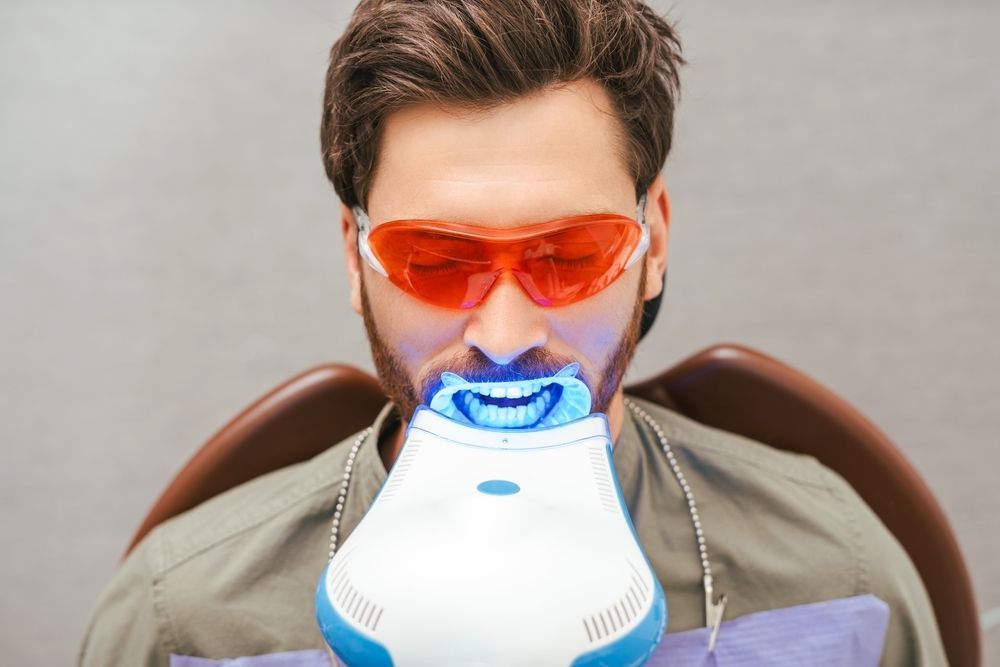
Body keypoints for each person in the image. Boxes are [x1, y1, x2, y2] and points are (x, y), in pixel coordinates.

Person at [79, 1, 947, 665]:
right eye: (434, 258)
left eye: (569, 254)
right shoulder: (178, 619)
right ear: (356, 257)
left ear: (654, 246)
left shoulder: (842, 579)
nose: (503, 333)